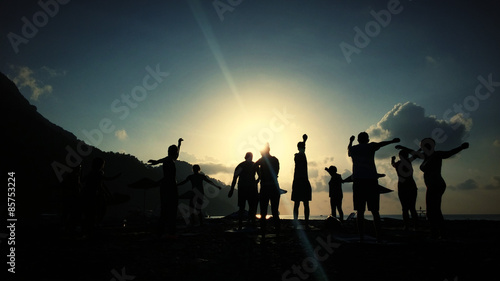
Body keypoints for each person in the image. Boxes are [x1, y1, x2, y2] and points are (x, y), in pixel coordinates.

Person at [396, 138, 469, 238]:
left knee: (433, 211)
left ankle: (439, 233)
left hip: (436, 185)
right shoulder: (425, 156)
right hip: (431, 186)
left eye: (423, 146)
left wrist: (461, 147)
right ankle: (437, 232)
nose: (422, 148)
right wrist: (402, 147)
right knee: (432, 211)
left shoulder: (437, 155)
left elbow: (449, 153)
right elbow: (414, 153)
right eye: (421, 146)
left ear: (430, 146)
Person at [348, 132, 400, 241]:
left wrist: (351, 141)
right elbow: (381, 144)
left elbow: (349, 150)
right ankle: (379, 236)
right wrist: (392, 141)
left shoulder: (353, 149)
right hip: (371, 181)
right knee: (375, 211)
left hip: (358, 182)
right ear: (367, 139)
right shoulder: (370, 146)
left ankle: (361, 236)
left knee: (360, 211)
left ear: (358, 140)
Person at [148, 138, 183, 237]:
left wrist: (179, 144)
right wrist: (156, 162)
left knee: (168, 208)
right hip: (169, 186)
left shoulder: (171, 159)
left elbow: (175, 155)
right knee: (169, 208)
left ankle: (165, 229)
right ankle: (166, 229)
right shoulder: (168, 160)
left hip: (168, 186)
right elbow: (164, 162)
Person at [81, 158, 120, 236]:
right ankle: (91, 227)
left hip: (89, 194)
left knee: (92, 212)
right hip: (93, 195)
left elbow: (102, 184)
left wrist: (108, 193)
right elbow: (104, 182)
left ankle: (90, 228)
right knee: (98, 211)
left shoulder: (93, 173)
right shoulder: (97, 173)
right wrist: (116, 177)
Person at [255, 143, 281, 237]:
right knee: (275, 211)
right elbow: (277, 173)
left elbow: (254, 165)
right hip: (274, 187)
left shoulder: (262, 160)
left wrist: (259, 177)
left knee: (263, 212)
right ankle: (277, 232)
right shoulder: (275, 160)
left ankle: (263, 233)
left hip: (265, 187)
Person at [229, 152, 259, 230]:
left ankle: (249, 223)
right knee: (244, 207)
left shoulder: (250, 165)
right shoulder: (243, 165)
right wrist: (231, 190)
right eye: (250, 157)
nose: (251, 158)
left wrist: (257, 180)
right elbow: (235, 177)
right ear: (247, 157)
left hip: (248, 188)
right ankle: (243, 224)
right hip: (245, 188)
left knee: (250, 206)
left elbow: (260, 175)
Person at [391, 150, 418, 231]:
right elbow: (415, 155)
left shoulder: (398, 164)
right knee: (412, 208)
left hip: (402, 187)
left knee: (405, 208)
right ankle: (415, 226)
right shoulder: (408, 162)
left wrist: (392, 159)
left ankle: (407, 226)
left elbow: (393, 164)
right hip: (411, 186)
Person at [291, 134, 312, 229]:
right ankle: (300, 223)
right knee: (299, 203)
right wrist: (304, 141)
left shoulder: (301, 155)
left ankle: (305, 223)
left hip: (301, 181)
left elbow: (303, 148)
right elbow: (302, 149)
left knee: (302, 203)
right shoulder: (298, 156)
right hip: (300, 181)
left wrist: (304, 141)